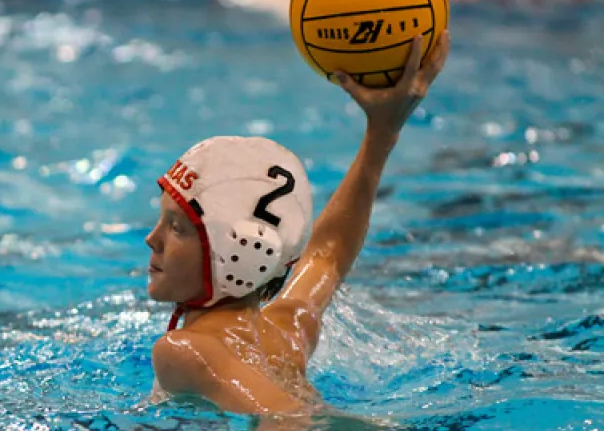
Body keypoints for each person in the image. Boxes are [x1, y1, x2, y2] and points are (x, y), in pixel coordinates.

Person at [146, 32, 451, 415]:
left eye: (177, 228)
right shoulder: (284, 334)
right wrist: (382, 131)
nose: (151, 239)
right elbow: (327, 255)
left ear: (234, 252)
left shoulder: (183, 350)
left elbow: (291, 419)